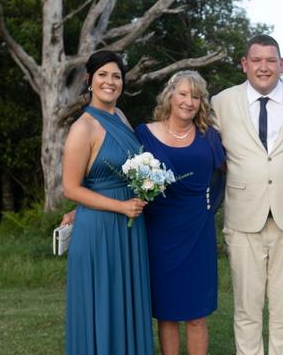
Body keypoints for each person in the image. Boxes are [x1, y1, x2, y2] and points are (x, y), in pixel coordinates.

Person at [210, 34, 283, 355]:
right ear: (244, 64)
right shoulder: (221, 102)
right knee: (247, 308)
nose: (264, 67)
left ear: (282, 64)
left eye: (271, 60)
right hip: (243, 218)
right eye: (256, 60)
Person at [62, 50, 153, 354]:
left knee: (124, 300)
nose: (110, 82)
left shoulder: (121, 117)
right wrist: (121, 206)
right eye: (102, 74)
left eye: (116, 76)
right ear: (89, 80)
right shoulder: (82, 128)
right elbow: (71, 188)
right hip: (101, 229)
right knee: (102, 302)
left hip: (129, 227)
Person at [134, 70, 226, 355]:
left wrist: (211, 207)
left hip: (197, 231)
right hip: (159, 231)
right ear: (170, 95)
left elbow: (222, 174)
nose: (189, 101)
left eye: (196, 97)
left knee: (197, 315)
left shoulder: (209, 136)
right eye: (184, 94)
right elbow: (128, 179)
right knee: (167, 311)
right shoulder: (144, 133)